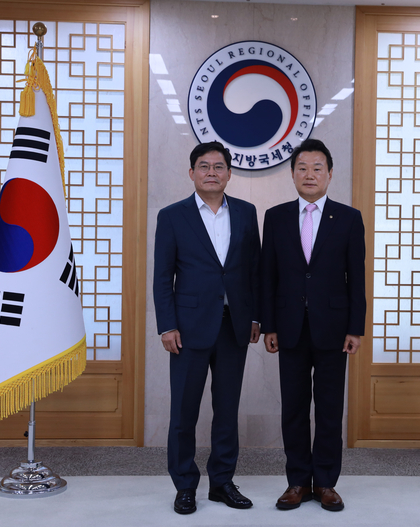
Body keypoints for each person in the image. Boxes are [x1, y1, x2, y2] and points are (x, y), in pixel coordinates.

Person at [153, 141, 261, 515]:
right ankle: (185, 485)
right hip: (188, 329)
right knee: (184, 413)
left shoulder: (246, 213)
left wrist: (256, 317)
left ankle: (222, 482)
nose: (211, 172)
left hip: (234, 326)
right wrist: (167, 325)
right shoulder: (172, 216)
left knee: (227, 410)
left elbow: (254, 269)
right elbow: (163, 276)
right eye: (204, 166)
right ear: (192, 173)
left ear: (229, 173)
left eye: (218, 166)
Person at [261, 138, 366, 512]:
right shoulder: (275, 217)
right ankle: (297, 481)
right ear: (292, 174)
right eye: (302, 168)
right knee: (293, 407)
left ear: (330, 174)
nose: (309, 174)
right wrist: (269, 325)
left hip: (334, 329)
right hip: (288, 326)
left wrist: (355, 328)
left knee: (329, 408)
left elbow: (357, 278)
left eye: (317, 168)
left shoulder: (349, 218)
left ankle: (325, 483)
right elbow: (268, 275)